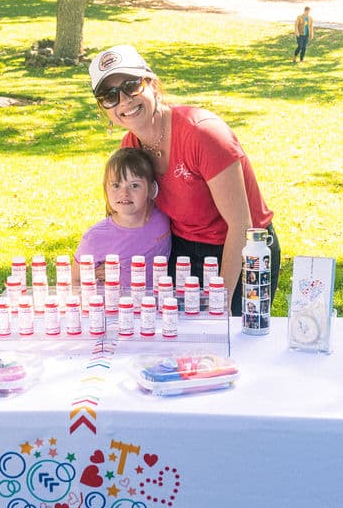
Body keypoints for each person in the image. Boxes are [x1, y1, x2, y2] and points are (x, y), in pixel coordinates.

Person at [87, 44, 280, 315]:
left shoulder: (202, 133)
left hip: (245, 249)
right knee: (178, 342)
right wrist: (113, 261)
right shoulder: (130, 146)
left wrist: (220, 301)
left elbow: (242, 226)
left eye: (131, 85)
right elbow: (134, 217)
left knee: (234, 343)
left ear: (152, 84)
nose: (124, 101)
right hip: (184, 250)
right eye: (110, 95)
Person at [74, 148, 171, 287]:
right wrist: (91, 275)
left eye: (134, 185)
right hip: (114, 307)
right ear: (106, 189)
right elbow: (75, 280)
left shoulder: (163, 218)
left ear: (151, 189)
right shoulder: (95, 238)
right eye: (116, 185)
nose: (124, 193)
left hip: (157, 306)